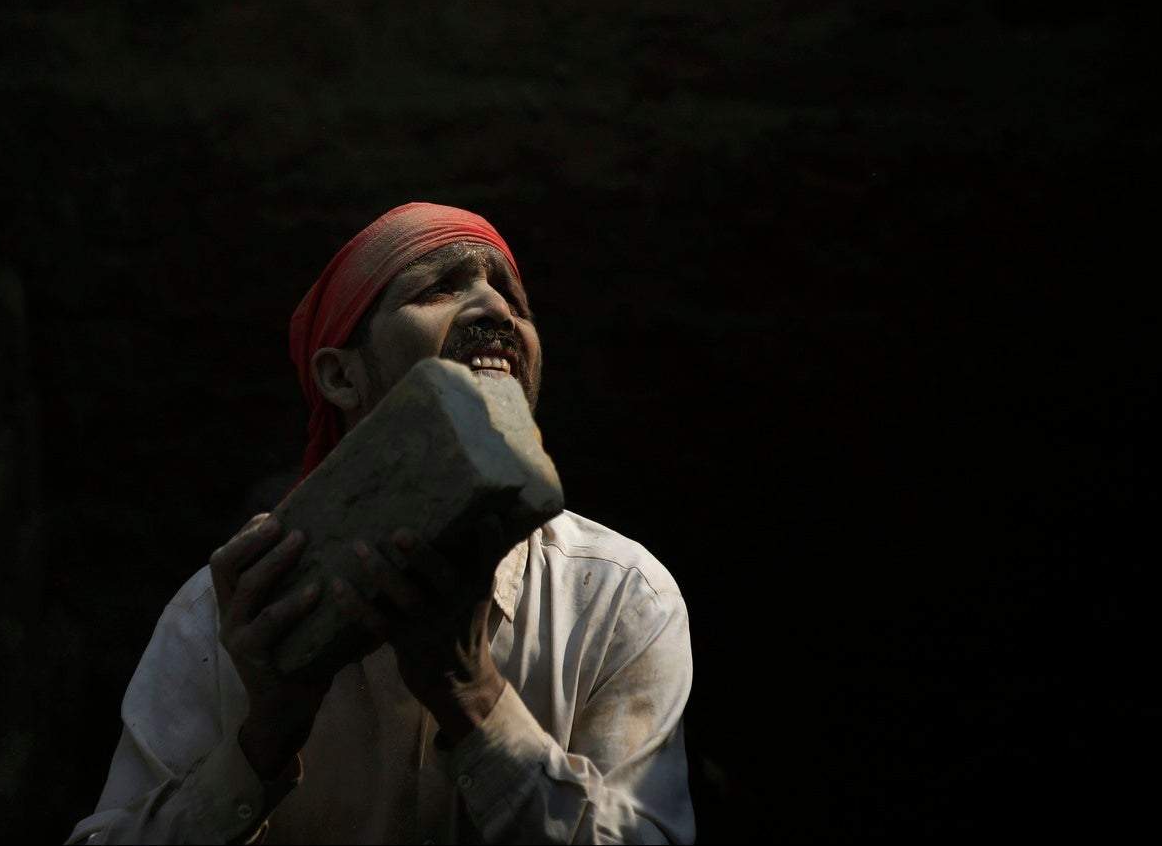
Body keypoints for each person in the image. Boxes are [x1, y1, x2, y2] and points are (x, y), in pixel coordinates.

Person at [68, 202, 696, 844]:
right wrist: (262, 743)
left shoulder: (617, 596)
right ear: (342, 375)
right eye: (440, 288)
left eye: (513, 297)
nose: (495, 310)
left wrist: (474, 697)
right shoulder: (227, 619)